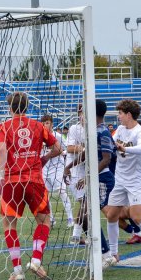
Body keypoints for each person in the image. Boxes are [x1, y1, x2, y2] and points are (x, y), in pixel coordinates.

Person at [0, 92, 61, 280]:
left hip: (12, 181)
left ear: (10, 108)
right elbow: (57, 149)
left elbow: (1, 150)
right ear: (27, 107)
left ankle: (18, 271)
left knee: (9, 224)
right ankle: (37, 261)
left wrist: (0, 178)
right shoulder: (39, 126)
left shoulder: (3, 127)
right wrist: (43, 159)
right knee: (44, 221)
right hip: (35, 180)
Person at [104, 99, 141, 264]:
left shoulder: (140, 132)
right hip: (120, 179)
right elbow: (110, 141)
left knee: (136, 216)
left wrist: (124, 148)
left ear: (128, 114)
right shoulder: (121, 129)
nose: (118, 117)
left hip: (136, 180)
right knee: (111, 215)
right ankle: (114, 253)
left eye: (121, 113)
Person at [66, 101, 119, 269]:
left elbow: (106, 159)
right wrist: (68, 167)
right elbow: (87, 155)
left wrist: (89, 176)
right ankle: (107, 255)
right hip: (95, 178)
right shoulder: (93, 131)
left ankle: (108, 252)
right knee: (89, 216)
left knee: (112, 214)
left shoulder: (102, 131)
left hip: (103, 179)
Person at [40, 114, 75, 227]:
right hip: (44, 169)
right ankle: (51, 219)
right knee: (45, 195)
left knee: (62, 192)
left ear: (52, 124)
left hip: (57, 168)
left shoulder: (58, 136)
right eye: (43, 123)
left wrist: (60, 153)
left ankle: (70, 218)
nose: (45, 125)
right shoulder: (39, 136)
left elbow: (65, 149)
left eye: (47, 123)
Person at [65, 104, 88, 244]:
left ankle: (76, 235)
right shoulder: (75, 128)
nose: (82, 115)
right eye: (80, 112)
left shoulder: (94, 129)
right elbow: (70, 148)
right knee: (86, 204)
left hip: (85, 172)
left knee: (86, 205)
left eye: (84, 112)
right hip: (74, 172)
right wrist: (86, 148)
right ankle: (82, 234)